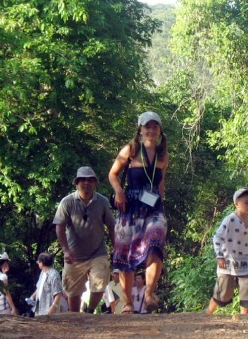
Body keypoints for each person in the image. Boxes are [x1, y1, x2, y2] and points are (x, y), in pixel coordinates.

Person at [108, 111, 169, 313]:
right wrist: (118, 192)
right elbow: (113, 174)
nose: (151, 130)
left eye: (155, 127)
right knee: (125, 254)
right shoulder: (131, 150)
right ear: (140, 130)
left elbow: (160, 181)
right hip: (130, 206)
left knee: (156, 241)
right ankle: (128, 303)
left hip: (153, 208)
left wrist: (161, 200)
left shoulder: (163, 154)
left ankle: (149, 294)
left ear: (160, 130)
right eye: (147, 127)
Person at [54, 166, 115, 313]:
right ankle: (75, 317)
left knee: (100, 282)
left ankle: (90, 310)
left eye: (90, 180)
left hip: (97, 252)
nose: (86, 183)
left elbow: (112, 226)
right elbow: (59, 227)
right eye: (82, 180)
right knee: (73, 292)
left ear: (95, 183)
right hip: (74, 255)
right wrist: (66, 250)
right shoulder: (67, 202)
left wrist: (116, 249)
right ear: (77, 183)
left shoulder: (103, 201)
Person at [206, 188, 248, 315]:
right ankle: (209, 312)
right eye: (246, 203)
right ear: (236, 204)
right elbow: (217, 237)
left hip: (245, 263)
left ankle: (245, 317)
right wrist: (219, 256)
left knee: (246, 289)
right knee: (223, 293)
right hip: (228, 262)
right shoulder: (230, 219)